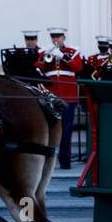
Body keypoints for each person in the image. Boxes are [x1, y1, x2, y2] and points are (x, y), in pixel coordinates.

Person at [36, 26, 82, 168]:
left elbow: (78, 68)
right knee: (50, 128)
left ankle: (65, 160)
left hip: (68, 95)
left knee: (66, 129)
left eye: (58, 37)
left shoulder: (73, 52)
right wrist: (44, 58)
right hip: (51, 94)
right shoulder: (45, 51)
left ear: (64, 38)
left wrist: (62, 56)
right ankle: (48, 160)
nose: (56, 39)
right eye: (53, 37)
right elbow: (37, 67)